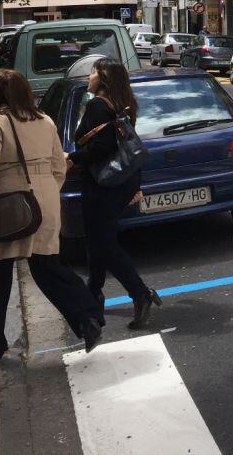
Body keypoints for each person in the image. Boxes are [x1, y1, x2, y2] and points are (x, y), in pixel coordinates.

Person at [0, 70, 101, 361]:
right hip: (46, 201)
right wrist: (47, 192)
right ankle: (87, 315)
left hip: (8, 204)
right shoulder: (45, 121)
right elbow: (58, 166)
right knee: (48, 266)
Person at [67, 58, 160, 329]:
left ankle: (139, 292)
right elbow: (127, 145)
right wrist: (136, 185)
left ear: (103, 78)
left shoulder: (97, 105)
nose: (89, 76)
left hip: (101, 185)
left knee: (102, 244)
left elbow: (104, 146)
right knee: (99, 241)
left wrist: (72, 157)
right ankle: (93, 297)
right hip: (121, 182)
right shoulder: (123, 104)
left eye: (93, 72)